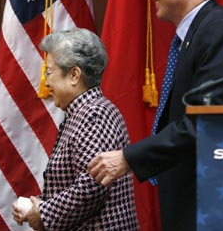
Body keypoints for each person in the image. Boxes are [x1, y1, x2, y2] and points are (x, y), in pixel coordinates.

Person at [88, 0, 223, 231]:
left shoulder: (218, 31)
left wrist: (128, 158)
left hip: (215, 205)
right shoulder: (199, 32)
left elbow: (206, 122)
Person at [12, 28, 139, 230]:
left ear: (74, 75)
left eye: (49, 72)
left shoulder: (94, 114)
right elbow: (75, 182)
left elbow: (92, 187)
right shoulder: (81, 112)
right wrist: (38, 205)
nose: (45, 81)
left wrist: (43, 213)